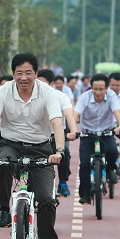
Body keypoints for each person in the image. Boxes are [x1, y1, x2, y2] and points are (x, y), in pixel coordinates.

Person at [0, 53, 64, 239]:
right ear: (13, 74)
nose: (24, 77)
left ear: (36, 74)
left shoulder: (48, 93)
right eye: (19, 73)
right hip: (12, 144)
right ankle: (4, 209)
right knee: (4, 162)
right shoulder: (3, 91)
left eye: (28, 73)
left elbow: (57, 121)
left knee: (47, 200)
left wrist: (59, 151)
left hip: (41, 148)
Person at [75, 74, 120, 204]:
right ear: (91, 88)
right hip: (88, 134)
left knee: (113, 151)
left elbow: (117, 112)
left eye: (101, 89)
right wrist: (72, 129)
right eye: (95, 88)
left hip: (106, 133)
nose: (98, 92)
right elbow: (76, 114)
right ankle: (85, 194)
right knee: (85, 164)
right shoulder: (85, 97)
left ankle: (110, 171)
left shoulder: (112, 96)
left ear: (106, 89)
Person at [38, 69, 78, 197]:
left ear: (51, 84)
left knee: (64, 151)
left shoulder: (61, 97)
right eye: (37, 82)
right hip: (35, 135)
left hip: (57, 134)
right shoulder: (29, 96)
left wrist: (74, 131)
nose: (39, 86)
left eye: (43, 83)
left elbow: (69, 115)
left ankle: (63, 182)